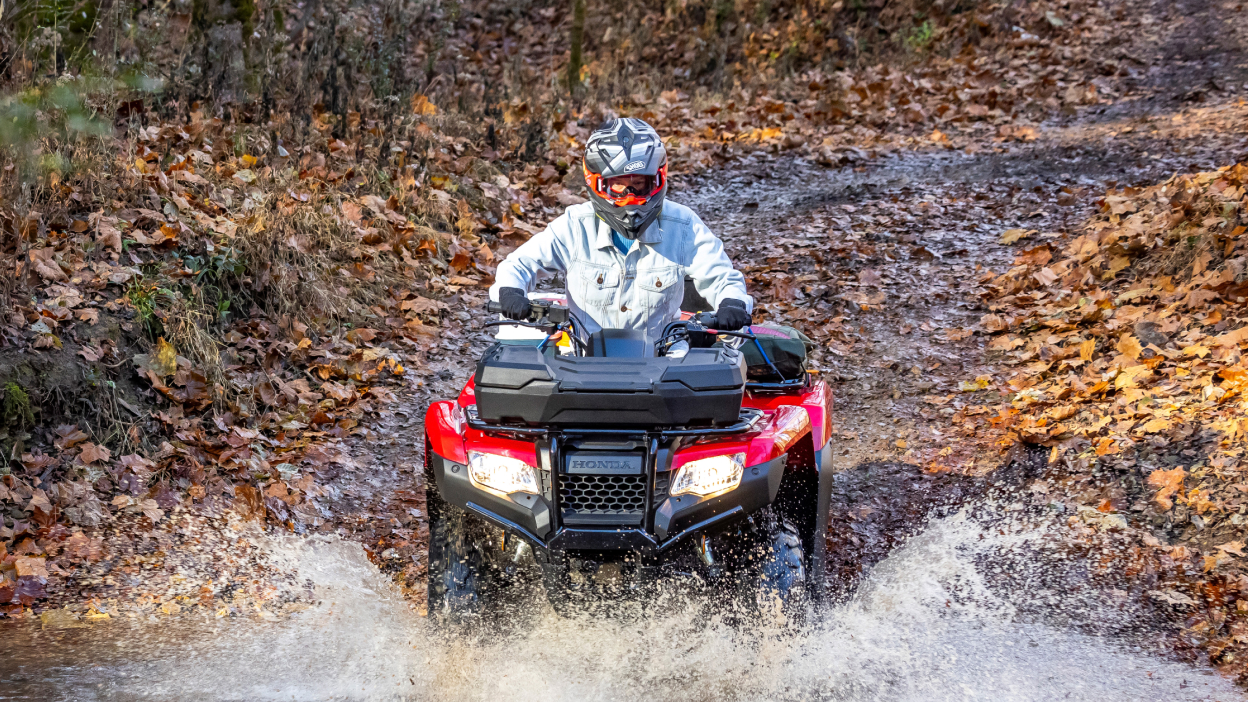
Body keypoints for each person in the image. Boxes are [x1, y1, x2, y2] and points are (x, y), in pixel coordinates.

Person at [489, 118, 752, 351]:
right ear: (596, 183)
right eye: (618, 186)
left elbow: (723, 277)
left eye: (639, 185)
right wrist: (512, 292)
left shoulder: (683, 225)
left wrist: (732, 304)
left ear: (657, 180)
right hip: (584, 358)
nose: (630, 197)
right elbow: (519, 265)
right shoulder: (575, 226)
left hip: (665, 358)